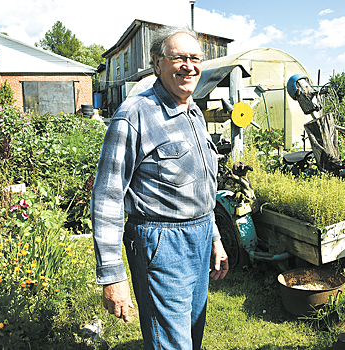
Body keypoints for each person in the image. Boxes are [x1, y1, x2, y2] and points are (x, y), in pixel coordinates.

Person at [90, 26, 229, 350]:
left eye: (195, 58)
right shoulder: (134, 115)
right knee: (172, 344)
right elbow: (107, 197)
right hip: (161, 245)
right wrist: (112, 275)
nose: (189, 66)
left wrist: (215, 238)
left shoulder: (193, 112)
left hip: (198, 238)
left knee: (192, 336)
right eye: (179, 58)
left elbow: (200, 187)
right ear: (157, 63)